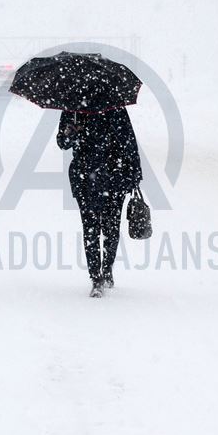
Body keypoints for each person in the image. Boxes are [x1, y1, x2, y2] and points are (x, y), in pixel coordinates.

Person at [57, 107, 143, 298]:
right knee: (91, 227)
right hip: (86, 178)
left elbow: (128, 140)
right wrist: (71, 132)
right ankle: (96, 277)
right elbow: (62, 142)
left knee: (111, 228)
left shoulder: (115, 107)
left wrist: (135, 173)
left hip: (114, 177)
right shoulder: (73, 109)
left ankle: (107, 269)